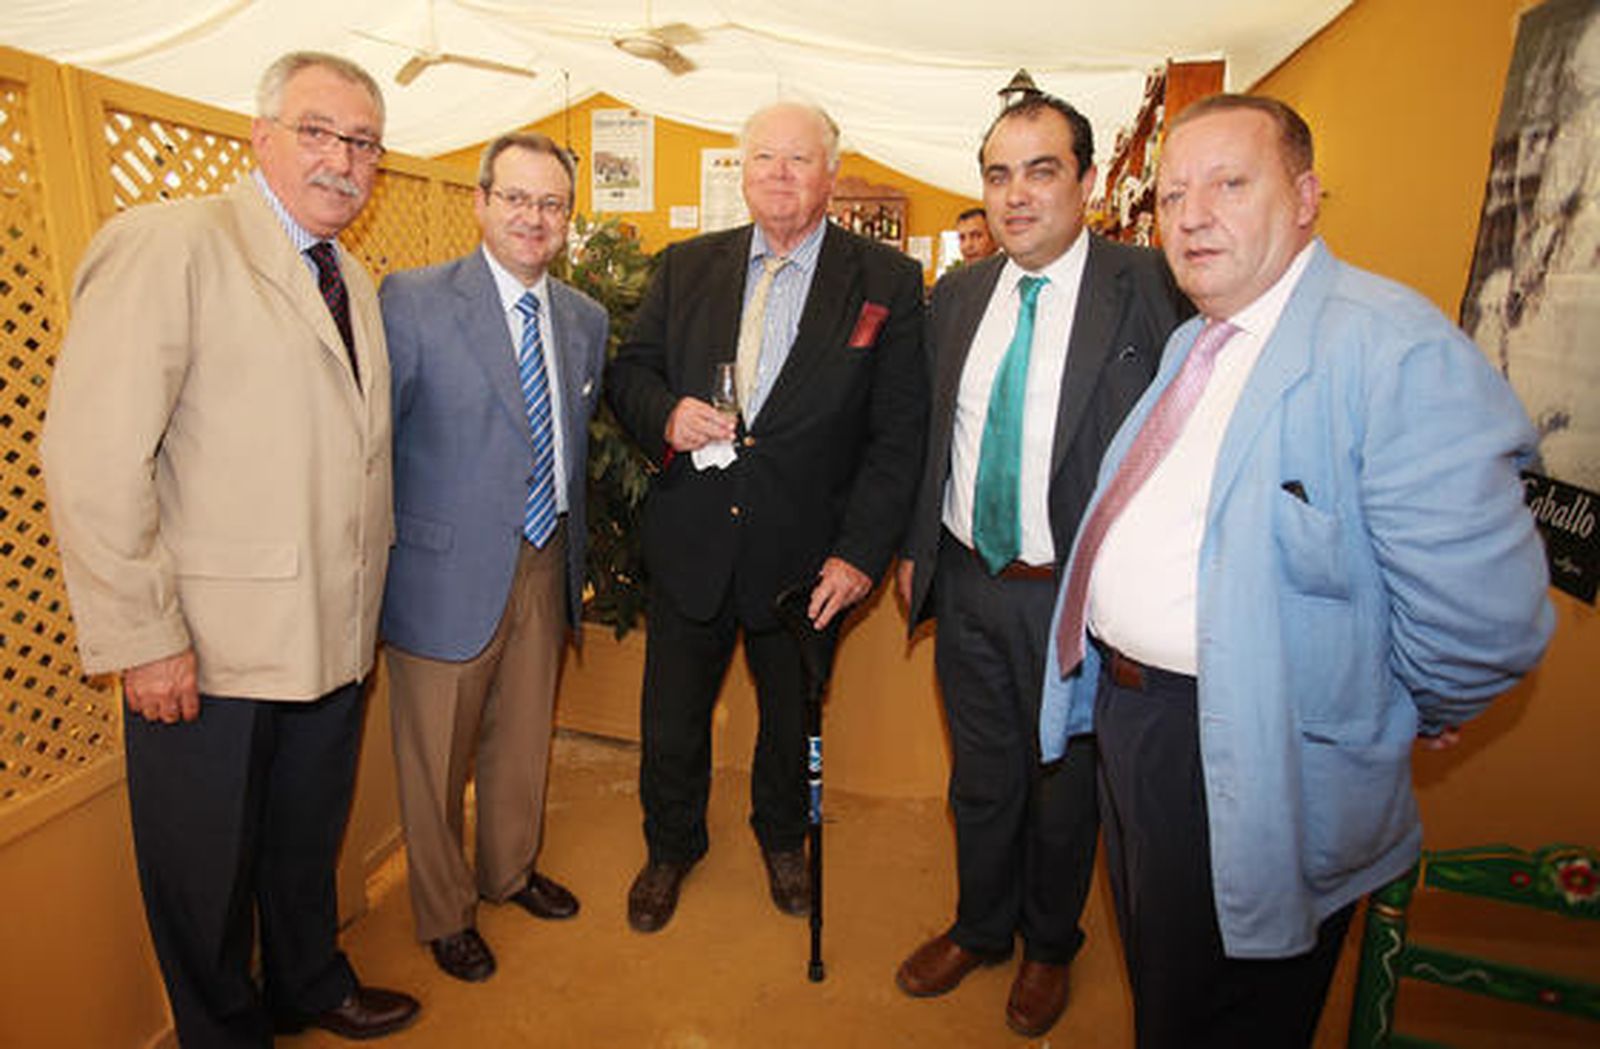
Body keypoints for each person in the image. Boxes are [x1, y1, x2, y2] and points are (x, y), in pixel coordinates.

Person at [1041, 93, 1555, 1048]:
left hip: (1252, 750)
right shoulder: (1200, 339)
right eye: (1171, 194)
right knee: (1170, 989)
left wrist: (1398, 705)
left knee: (1228, 1017)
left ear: (1307, 196)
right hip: (1142, 726)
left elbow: (1487, 621)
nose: (1191, 215)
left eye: (1230, 184)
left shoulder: (1390, 348)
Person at [41, 52, 419, 1046]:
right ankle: (224, 1031)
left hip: (329, 636)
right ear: (260, 136)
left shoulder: (354, 275)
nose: (343, 159)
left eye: (363, 141)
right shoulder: (170, 244)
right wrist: (142, 636)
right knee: (202, 869)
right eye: (318, 131)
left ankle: (308, 982)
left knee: (302, 843)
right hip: (203, 650)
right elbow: (93, 455)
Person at [893, 95, 1189, 1038]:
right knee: (982, 774)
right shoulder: (959, 296)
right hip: (970, 584)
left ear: (1089, 181)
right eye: (997, 174)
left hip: (1080, 596)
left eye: (1041, 169)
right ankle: (980, 926)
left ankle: (1049, 944)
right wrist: (915, 549)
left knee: (1065, 787)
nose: (1016, 195)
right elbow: (929, 435)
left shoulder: (1153, 284)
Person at [606, 101, 927, 934]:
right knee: (671, 719)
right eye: (762, 159)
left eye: (798, 159)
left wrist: (859, 554)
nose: (779, 174)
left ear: (831, 173)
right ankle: (670, 845)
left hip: (807, 561)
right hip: (693, 541)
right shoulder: (685, 267)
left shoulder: (884, 283)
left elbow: (898, 438)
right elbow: (631, 373)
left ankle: (783, 838)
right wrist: (666, 414)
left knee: (791, 720)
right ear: (739, 173)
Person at [378, 133, 607, 983]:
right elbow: (379, 442)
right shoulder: (412, 300)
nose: (532, 217)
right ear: (479, 201)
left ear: (568, 219)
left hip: (546, 559)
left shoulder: (586, 318)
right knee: (434, 758)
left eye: (550, 203)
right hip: (439, 570)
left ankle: (509, 871)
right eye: (515, 197)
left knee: (521, 738)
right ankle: (444, 912)